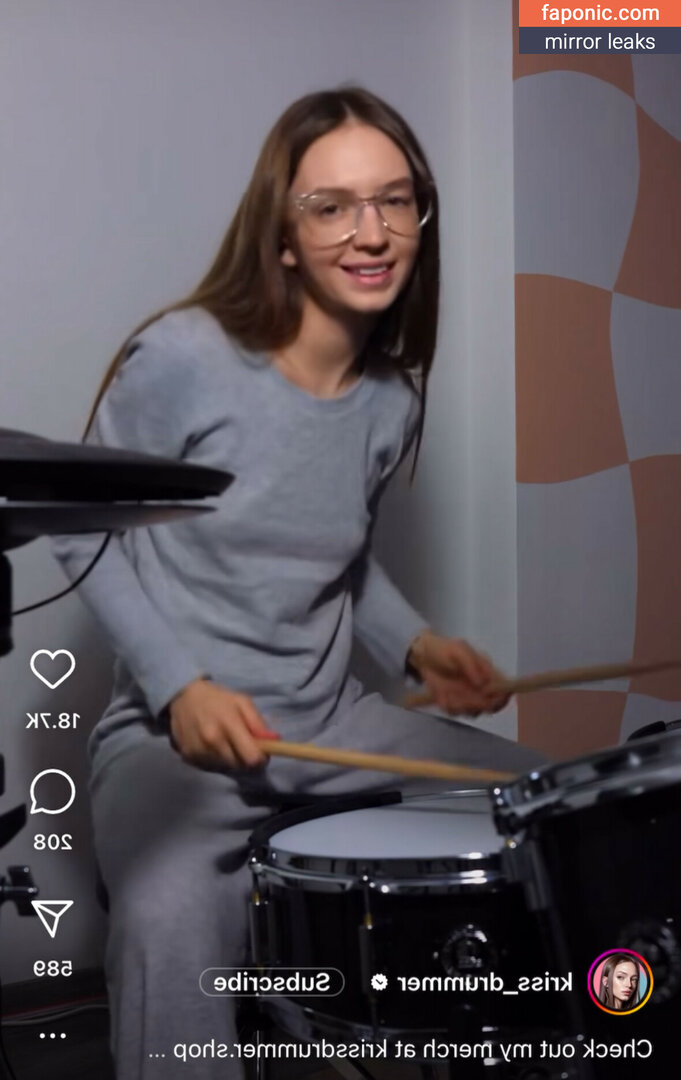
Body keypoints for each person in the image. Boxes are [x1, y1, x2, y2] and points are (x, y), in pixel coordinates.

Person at [51, 86, 547, 1079]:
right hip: (170, 745)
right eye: (332, 206)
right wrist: (179, 688)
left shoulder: (391, 397)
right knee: (164, 920)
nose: (371, 232)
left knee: (547, 811)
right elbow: (80, 528)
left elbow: (336, 559)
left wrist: (417, 646)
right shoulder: (185, 356)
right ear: (282, 236)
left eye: (394, 200)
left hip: (330, 729)